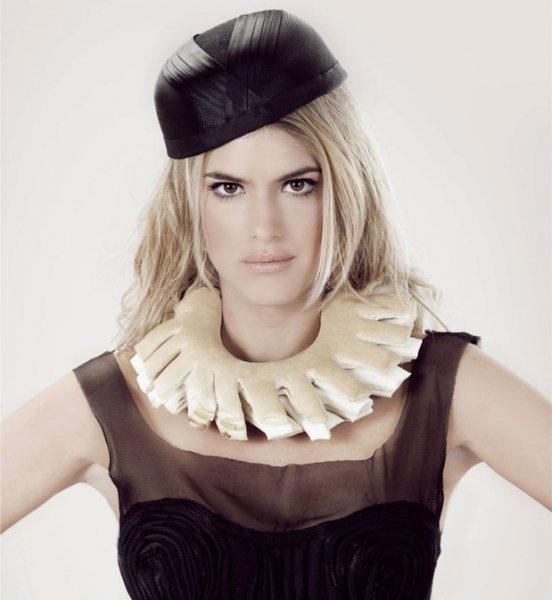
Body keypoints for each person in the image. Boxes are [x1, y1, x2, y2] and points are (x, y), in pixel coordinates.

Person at [2, 8, 550, 600]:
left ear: (345, 190)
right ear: (190, 205)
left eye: (297, 185)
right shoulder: (110, 404)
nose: (264, 226)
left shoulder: (444, 388)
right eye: (228, 188)